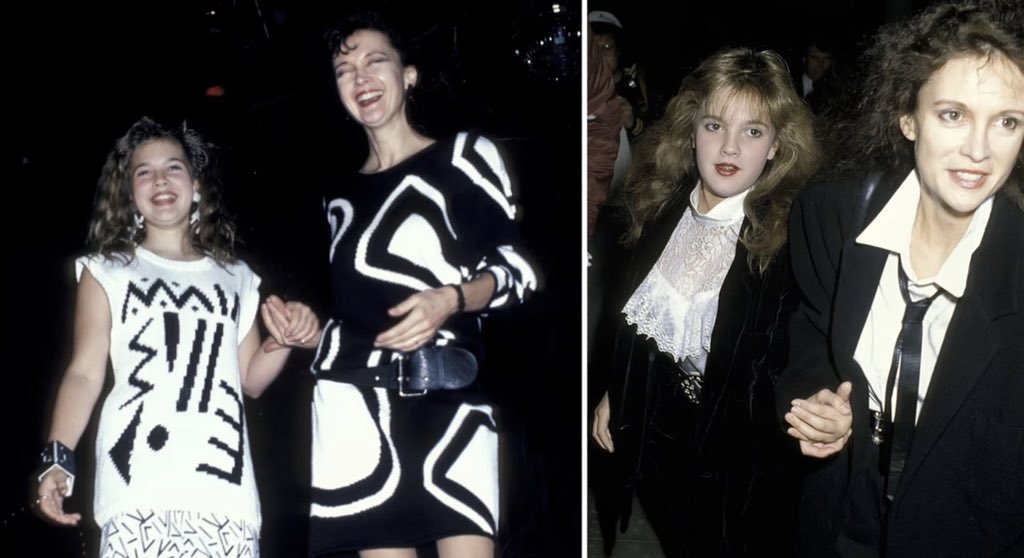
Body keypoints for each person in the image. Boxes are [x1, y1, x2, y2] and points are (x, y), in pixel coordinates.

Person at [777, 1, 1024, 556]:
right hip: (839, 507)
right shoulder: (832, 214)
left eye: (1007, 122)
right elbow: (811, 329)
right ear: (908, 116)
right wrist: (815, 400)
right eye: (953, 114)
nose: (979, 150)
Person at [32, 116, 320, 556]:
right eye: (144, 172)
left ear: (196, 185)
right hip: (137, 491)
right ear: (128, 193)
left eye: (173, 167)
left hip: (225, 496)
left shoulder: (236, 276)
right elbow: (85, 373)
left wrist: (284, 339)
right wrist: (58, 458)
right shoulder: (106, 270)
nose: (160, 180)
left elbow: (251, 379)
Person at [307, 10, 537, 558]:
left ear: (408, 74)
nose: (361, 78)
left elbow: (518, 272)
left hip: (450, 405)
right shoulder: (333, 199)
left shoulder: (462, 157)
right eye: (344, 70)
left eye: (375, 61)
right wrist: (298, 327)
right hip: (357, 415)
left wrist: (450, 300)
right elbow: (335, 313)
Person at [590, 47, 820, 556]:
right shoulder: (660, 205)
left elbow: (800, 358)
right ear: (692, 130)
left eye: (753, 131)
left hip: (740, 460)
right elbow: (636, 323)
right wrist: (616, 393)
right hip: (663, 436)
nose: (730, 147)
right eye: (715, 125)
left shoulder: (788, 236)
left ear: (776, 147)